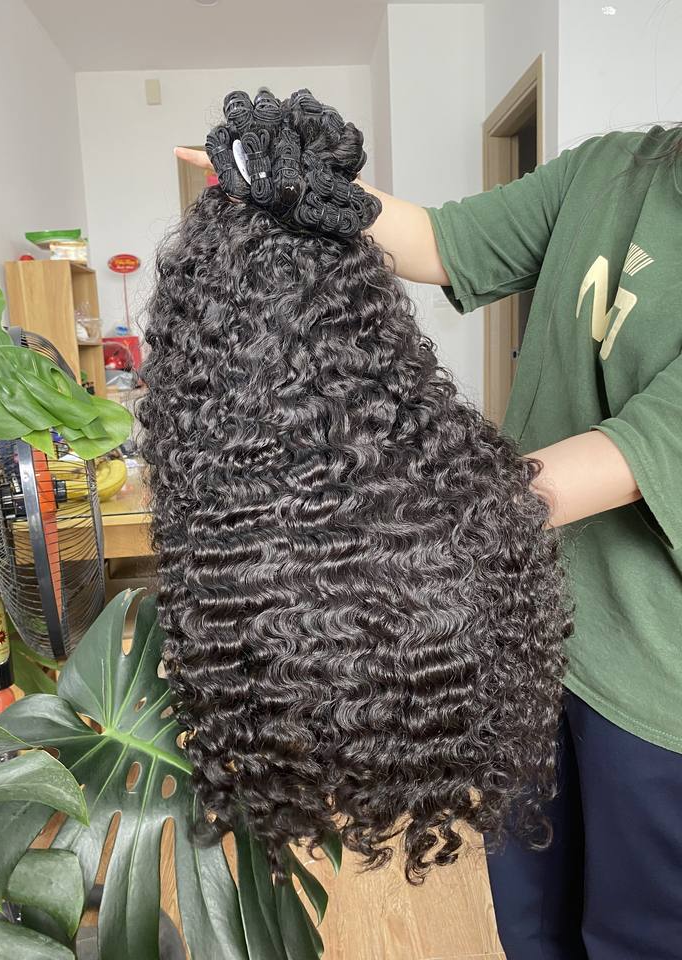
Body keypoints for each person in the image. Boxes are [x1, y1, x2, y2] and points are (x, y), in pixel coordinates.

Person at [176, 119, 682, 959]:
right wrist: (304, 189)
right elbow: (442, 241)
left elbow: (629, 459)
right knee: (530, 925)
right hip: (531, 638)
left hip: (657, 686)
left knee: (637, 938)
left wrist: (359, 532)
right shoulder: (616, 168)